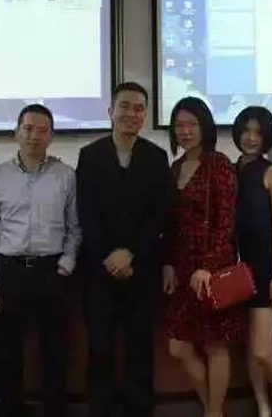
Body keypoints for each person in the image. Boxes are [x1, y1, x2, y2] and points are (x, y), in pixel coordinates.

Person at [76, 82, 173, 417]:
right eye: (125, 106)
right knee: (100, 348)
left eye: (139, 108)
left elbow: (159, 214)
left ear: (145, 115)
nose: (132, 113)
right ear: (111, 112)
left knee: (140, 350)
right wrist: (109, 256)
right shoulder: (90, 155)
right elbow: (85, 212)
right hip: (98, 271)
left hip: (141, 269)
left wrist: (131, 253)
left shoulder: (157, 157)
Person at [0, 104, 82, 417]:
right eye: (28, 128)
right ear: (16, 132)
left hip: (52, 271)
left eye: (42, 130)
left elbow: (75, 226)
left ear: (51, 136)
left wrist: (67, 260)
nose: (34, 136)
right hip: (9, 271)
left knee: (55, 349)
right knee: (8, 352)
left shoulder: (66, 175)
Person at [163, 96, 243, 417]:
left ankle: (213, 412)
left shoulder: (219, 164)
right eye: (179, 125)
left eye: (192, 124)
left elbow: (226, 223)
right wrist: (169, 263)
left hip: (213, 269)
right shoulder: (175, 168)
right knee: (178, 346)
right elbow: (170, 224)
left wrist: (208, 266)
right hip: (183, 270)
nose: (185, 131)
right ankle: (214, 409)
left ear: (205, 127)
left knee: (215, 345)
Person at [231, 107, 272, 417]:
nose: (251, 138)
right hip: (232, 271)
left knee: (261, 348)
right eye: (245, 130)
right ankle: (263, 406)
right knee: (249, 348)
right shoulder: (229, 170)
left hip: (265, 269)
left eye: (257, 132)